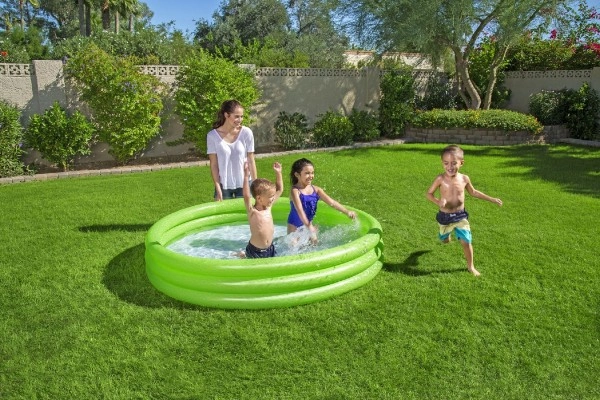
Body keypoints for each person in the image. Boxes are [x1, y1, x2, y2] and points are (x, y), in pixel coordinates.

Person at [426, 144, 503, 276]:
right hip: (445, 216)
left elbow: (474, 192)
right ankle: (446, 236)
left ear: (461, 163)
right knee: (444, 240)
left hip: (460, 216)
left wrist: (492, 199)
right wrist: (438, 202)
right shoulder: (440, 179)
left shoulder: (464, 179)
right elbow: (429, 194)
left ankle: (470, 267)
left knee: (466, 241)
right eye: (446, 163)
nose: (450, 167)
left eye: (454, 163)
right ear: (442, 163)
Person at [287, 158, 356, 240]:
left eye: (312, 173)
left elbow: (332, 202)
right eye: (307, 173)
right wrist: (309, 226)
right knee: (294, 247)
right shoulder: (295, 191)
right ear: (297, 174)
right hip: (294, 227)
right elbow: (299, 210)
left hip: (309, 224)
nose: (311, 176)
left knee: (315, 245)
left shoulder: (316, 190)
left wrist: (347, 211)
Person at [207, 99, 258, 201]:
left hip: (245, 182)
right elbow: (214, 164)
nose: (240, 120)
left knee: (247, 211)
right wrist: (218, 187)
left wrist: (256, 185)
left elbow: (251, 160)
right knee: (222, 211)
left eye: (241, 116)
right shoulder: (212, 136)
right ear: (226, 115)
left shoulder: (246, 133)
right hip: (223, 185)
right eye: (237, 116)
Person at [242, 161, 284, 259]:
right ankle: (242, 254)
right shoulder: (252, 211)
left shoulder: (269, 207)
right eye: (270, 196)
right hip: (255, 250)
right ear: (259, 198)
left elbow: (280, 190)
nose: (273, 198)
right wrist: (246, 177)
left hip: (270, 248)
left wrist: (278, 173)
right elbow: (246, 196)